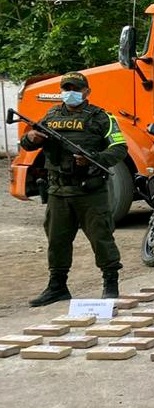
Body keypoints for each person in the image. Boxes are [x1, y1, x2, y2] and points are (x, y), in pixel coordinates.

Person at [20, 72, 128, 306]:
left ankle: (111, 284)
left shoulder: (102, 118)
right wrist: (32, 138)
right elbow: (26, 144)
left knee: (101, 238)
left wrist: (94, 158)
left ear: (86, 92)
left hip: (90, 191)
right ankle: (57, 287)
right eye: (66, 88)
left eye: (75, 88)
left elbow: (119, 148)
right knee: (57, 240)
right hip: (58, 191)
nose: (70, 92)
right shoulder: (51, 116)